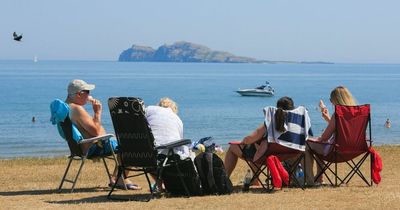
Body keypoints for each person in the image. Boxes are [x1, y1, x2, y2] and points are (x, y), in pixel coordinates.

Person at [65, 79, 141, 190]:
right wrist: (97, 112)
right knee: (130, 143)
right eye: (87, 92)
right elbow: (96, 131)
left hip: (79, 147)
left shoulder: (66, 107)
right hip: (92, 148)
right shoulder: (77, 109)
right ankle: (119, 178)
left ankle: (118, 178)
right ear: (79, 94)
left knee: (123, 142)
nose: (89, 95)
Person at [224, 96, 296, 183]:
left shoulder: (271, 122)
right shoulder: (297, 124)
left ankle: (224, 180)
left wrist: (244, 141)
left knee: (234, 147)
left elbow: (249, 139)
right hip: (289, 154)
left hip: (268, 156)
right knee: (257, 147)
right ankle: (255, 180)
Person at [304, 86, 357, 186]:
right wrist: (328, 119)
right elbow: (344, 130)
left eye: (331, 99)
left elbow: (324, 138)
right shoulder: (356, 113)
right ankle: (319, 178)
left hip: (336, 151)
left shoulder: (338, 114)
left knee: (308, 144)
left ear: (337, 99)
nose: (330, 101)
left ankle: (310, 179)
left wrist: (314, 139)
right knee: (319, 146)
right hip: (355, 149)